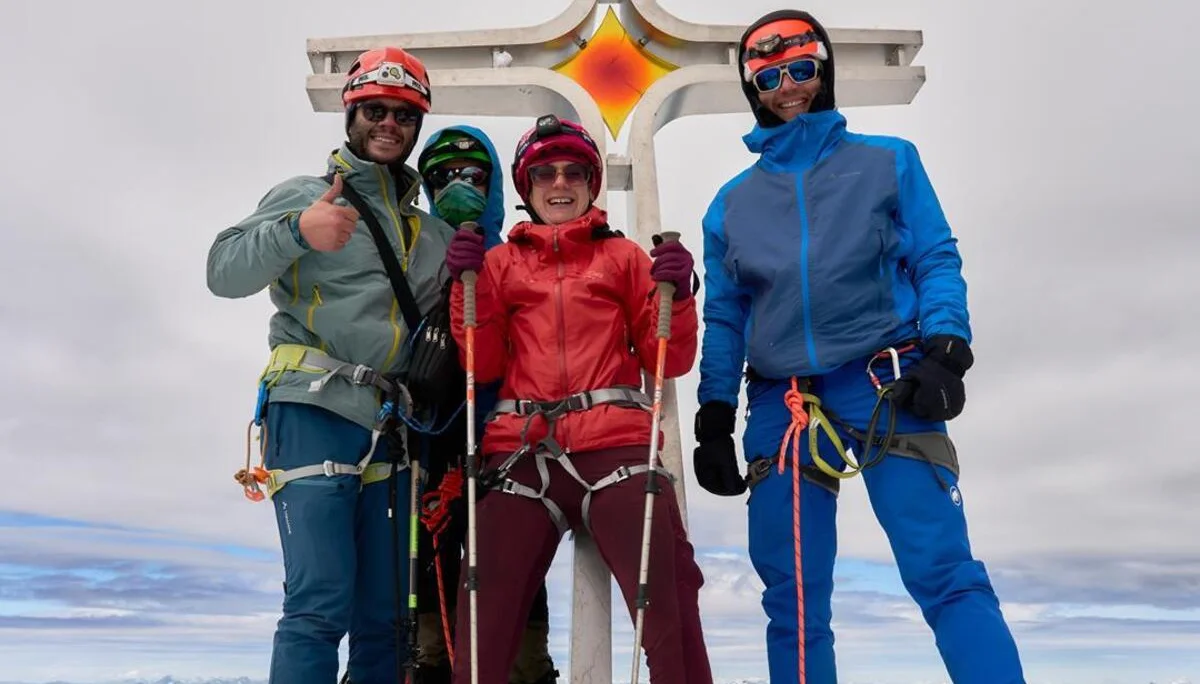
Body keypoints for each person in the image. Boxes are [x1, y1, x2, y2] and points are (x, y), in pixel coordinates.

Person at [691, 9, 1027, 684]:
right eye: (770, 77)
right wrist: (714, 416)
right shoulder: (730, 206)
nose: (789, 88)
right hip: (784, 405)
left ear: (825, 72)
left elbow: (934, 258)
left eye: (802, 70)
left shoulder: (888, 162)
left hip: (888, 382)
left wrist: (947, 349)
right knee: (793, 600)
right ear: (752, 88)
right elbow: (725, 317)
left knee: (944, 573)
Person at [207, 46, 458, 684]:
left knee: (384, 618)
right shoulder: (307, 195)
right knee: (320, 603)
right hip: (312, 404)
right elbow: (222, 272)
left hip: (392, 426)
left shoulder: (431, 235)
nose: (388, 124)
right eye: (374, 109)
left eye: (403, 114)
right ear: (351, 112)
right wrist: (298, 230)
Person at [442, 114, 714, 684]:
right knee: (481, 611)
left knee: (666, 596)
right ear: (526, 187)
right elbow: (481, 363)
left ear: (591, 183)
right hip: (520, 455)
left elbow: (670, 358)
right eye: (543, 173)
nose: (558, 183)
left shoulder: (624, 258)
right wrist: (463, 291)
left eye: (572, 172)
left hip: (614, 447)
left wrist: (679, 294)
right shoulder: (497, 264)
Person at [413, 126, 559, 684]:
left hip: (508, 428)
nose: (457, 186)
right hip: (431, 427)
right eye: (442, 177)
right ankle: (431, 658)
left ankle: (527, 665)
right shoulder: (415, 250)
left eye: (472, 176)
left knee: (513, 555)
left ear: (494, 182)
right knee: (436, 544)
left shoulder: (520, 253)